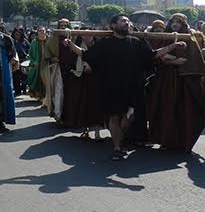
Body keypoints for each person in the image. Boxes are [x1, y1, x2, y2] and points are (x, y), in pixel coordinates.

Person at [65, 14, 186, 160]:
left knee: (130, 116)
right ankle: (117, 147)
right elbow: (86, 54)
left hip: (133, 86)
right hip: (112, 86)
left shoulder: (136, 42)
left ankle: (119, 137)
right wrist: (70, 44)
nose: (127, 23)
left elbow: (153, 55)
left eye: (128, 22)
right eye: (123, 21)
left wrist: (172, 46)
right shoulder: (105, 43)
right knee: (114, 116)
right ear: (113, 26)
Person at [147, 13, 205, 152]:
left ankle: (184, 142)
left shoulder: (190, 37)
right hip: (166, 78)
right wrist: (172, 60)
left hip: (184, 81)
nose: (175, 23)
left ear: (183, 24)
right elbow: (157, 54)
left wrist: (176, 60)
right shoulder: (165, 36)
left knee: (185, 111)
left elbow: (192, 58)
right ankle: (164, 140)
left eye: (178, 21)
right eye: (173, 21)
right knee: (165, 109)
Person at [27, 26, 48, 103]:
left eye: (43, 31)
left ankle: (46, 96)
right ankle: (40, 96)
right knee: (38, 80)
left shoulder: (49, 41)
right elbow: (30, 54)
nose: (42, 33)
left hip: (47, 64)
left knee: (46, 80)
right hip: (37, 65)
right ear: (37, 33)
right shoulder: (34, 42)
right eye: (40, 31)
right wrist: (33, 62)